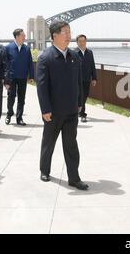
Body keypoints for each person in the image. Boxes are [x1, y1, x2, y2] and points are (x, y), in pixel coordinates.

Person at [36, 21, 88, 191]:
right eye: (65, 32)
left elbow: (78, 82)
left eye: (69, 31)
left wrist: (80, 103)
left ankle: (74, 178)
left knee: (71, 145)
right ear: (54, 36)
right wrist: (45, 109)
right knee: (49, 143)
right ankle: (45, 170)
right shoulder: (46, 58)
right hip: (53, 111)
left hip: (72, 110)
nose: (68, 35)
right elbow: (42, 87)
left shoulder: (74, 56)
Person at [5, 29, 34, 126]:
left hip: (22, 77)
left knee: (21, 98)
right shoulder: (8, 48)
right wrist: (5, 79)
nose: (25, 37)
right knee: (11, 97)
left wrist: (31, 76)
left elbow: (30, 63)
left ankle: (19, 118)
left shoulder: (26, 48)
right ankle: (9, 114)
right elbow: (4, 64)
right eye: (23, 35)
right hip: (11, 78)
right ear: (17, 36)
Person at [75, 34, 97, 123]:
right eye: (80, 41)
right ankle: (82, 114)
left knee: (85, 96)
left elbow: (92, 65)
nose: (82, 43)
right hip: (77, 80)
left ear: (86, 42)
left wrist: (94, 78)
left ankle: (78, 111)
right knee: (80, 96)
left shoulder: (90, 52)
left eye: (83, 41)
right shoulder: (74, 53)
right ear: (77, 42)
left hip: (87, 79)